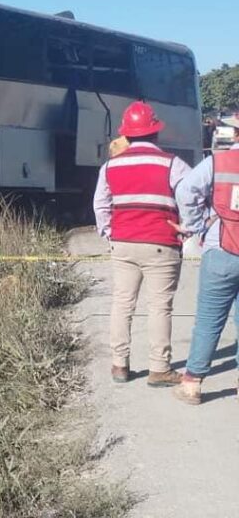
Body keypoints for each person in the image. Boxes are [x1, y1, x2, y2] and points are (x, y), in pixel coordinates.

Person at [93, 101, 191, 386]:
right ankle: (159, 368)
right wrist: (185, 230)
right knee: (160, 306)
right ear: (155, 133)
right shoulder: (173, 164)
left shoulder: (110, 166)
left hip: (123, 243)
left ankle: (119, 366)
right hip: (161, 244)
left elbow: (100, 204)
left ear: (127, 134)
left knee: (122, 304)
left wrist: (109, 232)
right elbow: (189, 199)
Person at [173, 126, 239, 405]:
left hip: (221, 249)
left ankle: (192, 383)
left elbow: (186, 190)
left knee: (209, 319)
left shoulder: (219, 161)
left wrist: (196, 225)